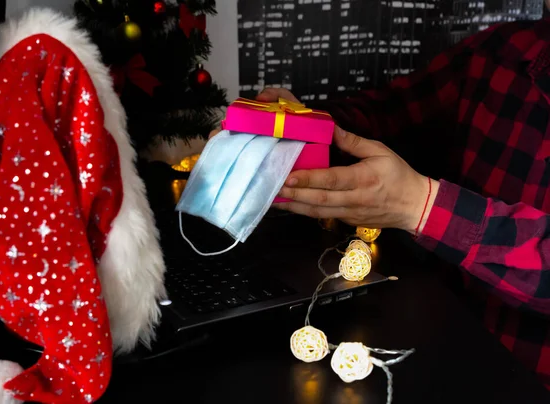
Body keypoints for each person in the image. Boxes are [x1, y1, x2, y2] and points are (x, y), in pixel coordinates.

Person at [212, 12, 549, 389]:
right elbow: (393, 110)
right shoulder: (505, 49)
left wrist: (421, 206)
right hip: (439, 333)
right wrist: (306, 127)